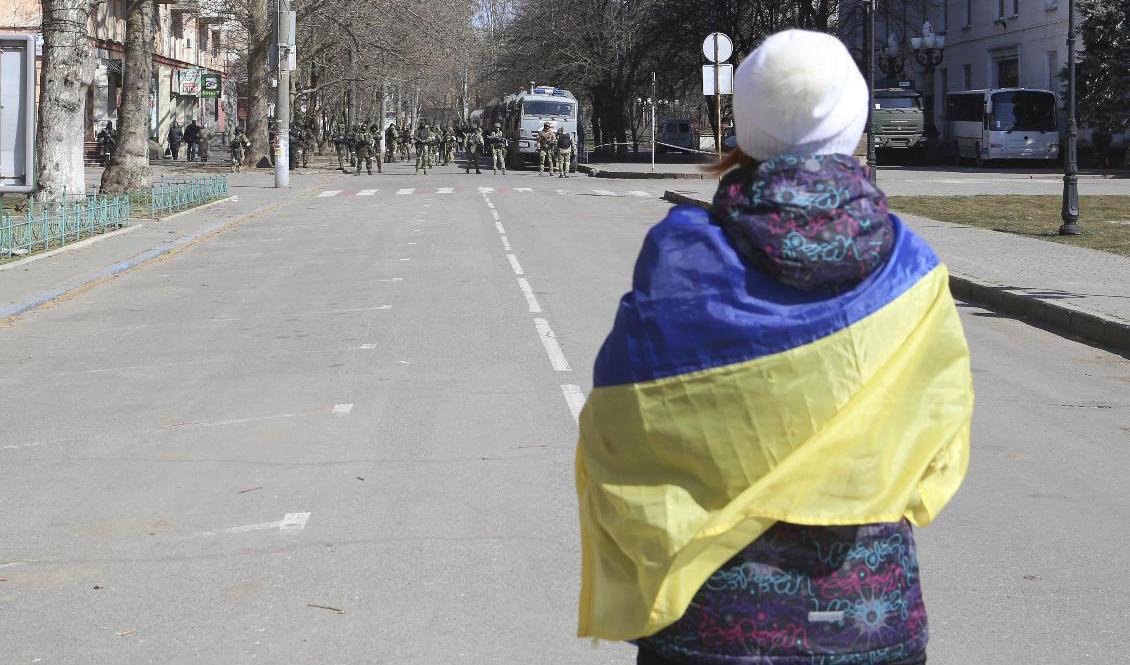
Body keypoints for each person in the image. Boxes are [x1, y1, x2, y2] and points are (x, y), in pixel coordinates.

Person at [575, 29, 973, 665]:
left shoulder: (681, 262)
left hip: (708, 622)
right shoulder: (913, 273)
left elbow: (619, 428)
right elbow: (939, 450)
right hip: (869, 615)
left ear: (744, 128)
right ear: (855, 125)